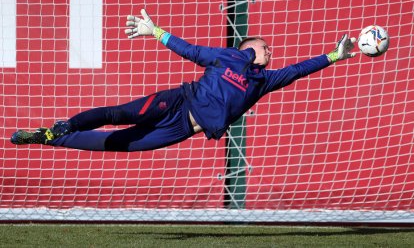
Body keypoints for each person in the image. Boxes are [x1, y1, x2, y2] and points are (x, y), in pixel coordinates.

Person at [10, 9, 356, 152]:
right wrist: (156, 32)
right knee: (117, 114)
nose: (270, 53)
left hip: (182, 129)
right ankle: (64, 125)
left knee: (120, 145)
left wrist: (334, 56)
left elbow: (297, 70)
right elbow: (190, 51)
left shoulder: (263, 80)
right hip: (178, 101)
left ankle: (47, 138)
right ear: (248, 47)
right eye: (265, 47)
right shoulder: (229, 56)